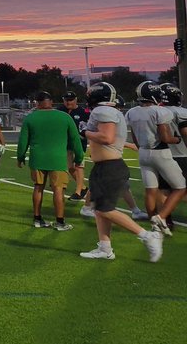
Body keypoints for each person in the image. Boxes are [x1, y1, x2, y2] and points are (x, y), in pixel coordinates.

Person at [79, 82, 163, 262]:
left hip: (110, 167)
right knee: (99, 210)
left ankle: (147, 236)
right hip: (105, 166)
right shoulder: (111, 111)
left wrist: (85, 132)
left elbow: (106, 138)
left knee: (105, 209)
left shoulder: (103, 111)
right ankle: (105, 248)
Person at [17, 92, 83, 230]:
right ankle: (60, 222)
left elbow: (23, 141)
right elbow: (75, 139)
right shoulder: (65, 117)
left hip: (37, 158)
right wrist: (79, 158)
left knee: (38, 187)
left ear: (37, 103)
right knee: (58, 189)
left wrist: (20, 157)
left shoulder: (30, 118)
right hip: (58, 159)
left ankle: (37, 219)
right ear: (51, 101)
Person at [126, 81, 184, 237]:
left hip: (143, 153)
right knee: (181, 187)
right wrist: (177, 140)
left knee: (151, 190)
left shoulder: (132, 112)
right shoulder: (160, 111)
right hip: (160, 153)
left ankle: (154, 223)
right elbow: (165, 136)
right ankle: (161, 217)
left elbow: (135, 138)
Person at [161, 83, 187, 230]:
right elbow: (185, 133)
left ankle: (165, 219)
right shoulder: (181, 112)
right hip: (182, 155)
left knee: (164, 189)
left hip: (163, 155)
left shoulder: (157, 112)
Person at [57, 92, 91, 200]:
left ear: (75, 100)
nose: (68, 102)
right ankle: (84, 188)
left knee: (79, 166)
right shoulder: (59, 110)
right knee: (70, 167)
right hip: (65, 143)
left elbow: (89, 127)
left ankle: (79, 190)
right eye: (66, 99)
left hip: (79, 143)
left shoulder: (83, 112)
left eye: (71, 100)